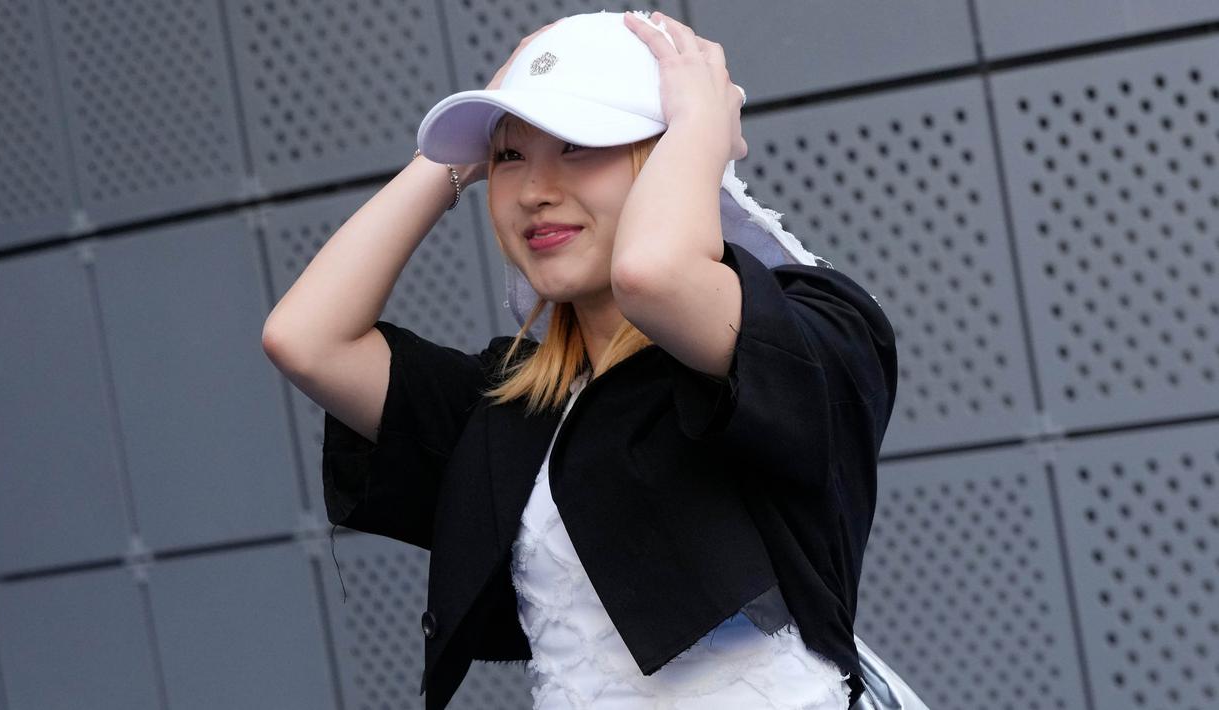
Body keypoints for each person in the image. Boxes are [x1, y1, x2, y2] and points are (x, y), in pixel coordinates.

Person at [263, 10, 904, 710]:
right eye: (510, 157)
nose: (534, 191)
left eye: (575, 145)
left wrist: (696, 125)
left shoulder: (818, 331)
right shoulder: (517, 405)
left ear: (667, 162)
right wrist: (452, 160)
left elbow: (652, 275)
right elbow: (305, 338)